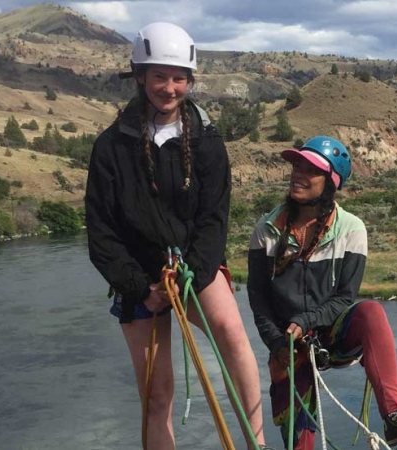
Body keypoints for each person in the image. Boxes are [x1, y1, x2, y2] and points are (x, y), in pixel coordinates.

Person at [85, 22, 272, 450]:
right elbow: (102, 230)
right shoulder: (111, 147)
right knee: (157, 394)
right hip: (138, 277)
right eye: (159, 76)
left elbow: (213, 219)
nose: (169, 88)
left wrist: (196, 272)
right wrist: (140, 288)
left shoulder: (206, 141)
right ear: (139, 77)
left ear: (189, 81)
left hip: (192, 268)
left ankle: (255, 443)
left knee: (231, 333)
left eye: (179, 78)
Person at [247, 136, 397, 449]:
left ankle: (393, 417)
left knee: (370, 312)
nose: (298, 173)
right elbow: (258, 298)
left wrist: (308, 320)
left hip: (333, 333)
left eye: (310, 169)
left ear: (330, 182)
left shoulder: (351, 229)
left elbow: (345, 297)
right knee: (299, 437)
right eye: (297, 165)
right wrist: (277, 342)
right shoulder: (266, 229)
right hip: (288, 343)